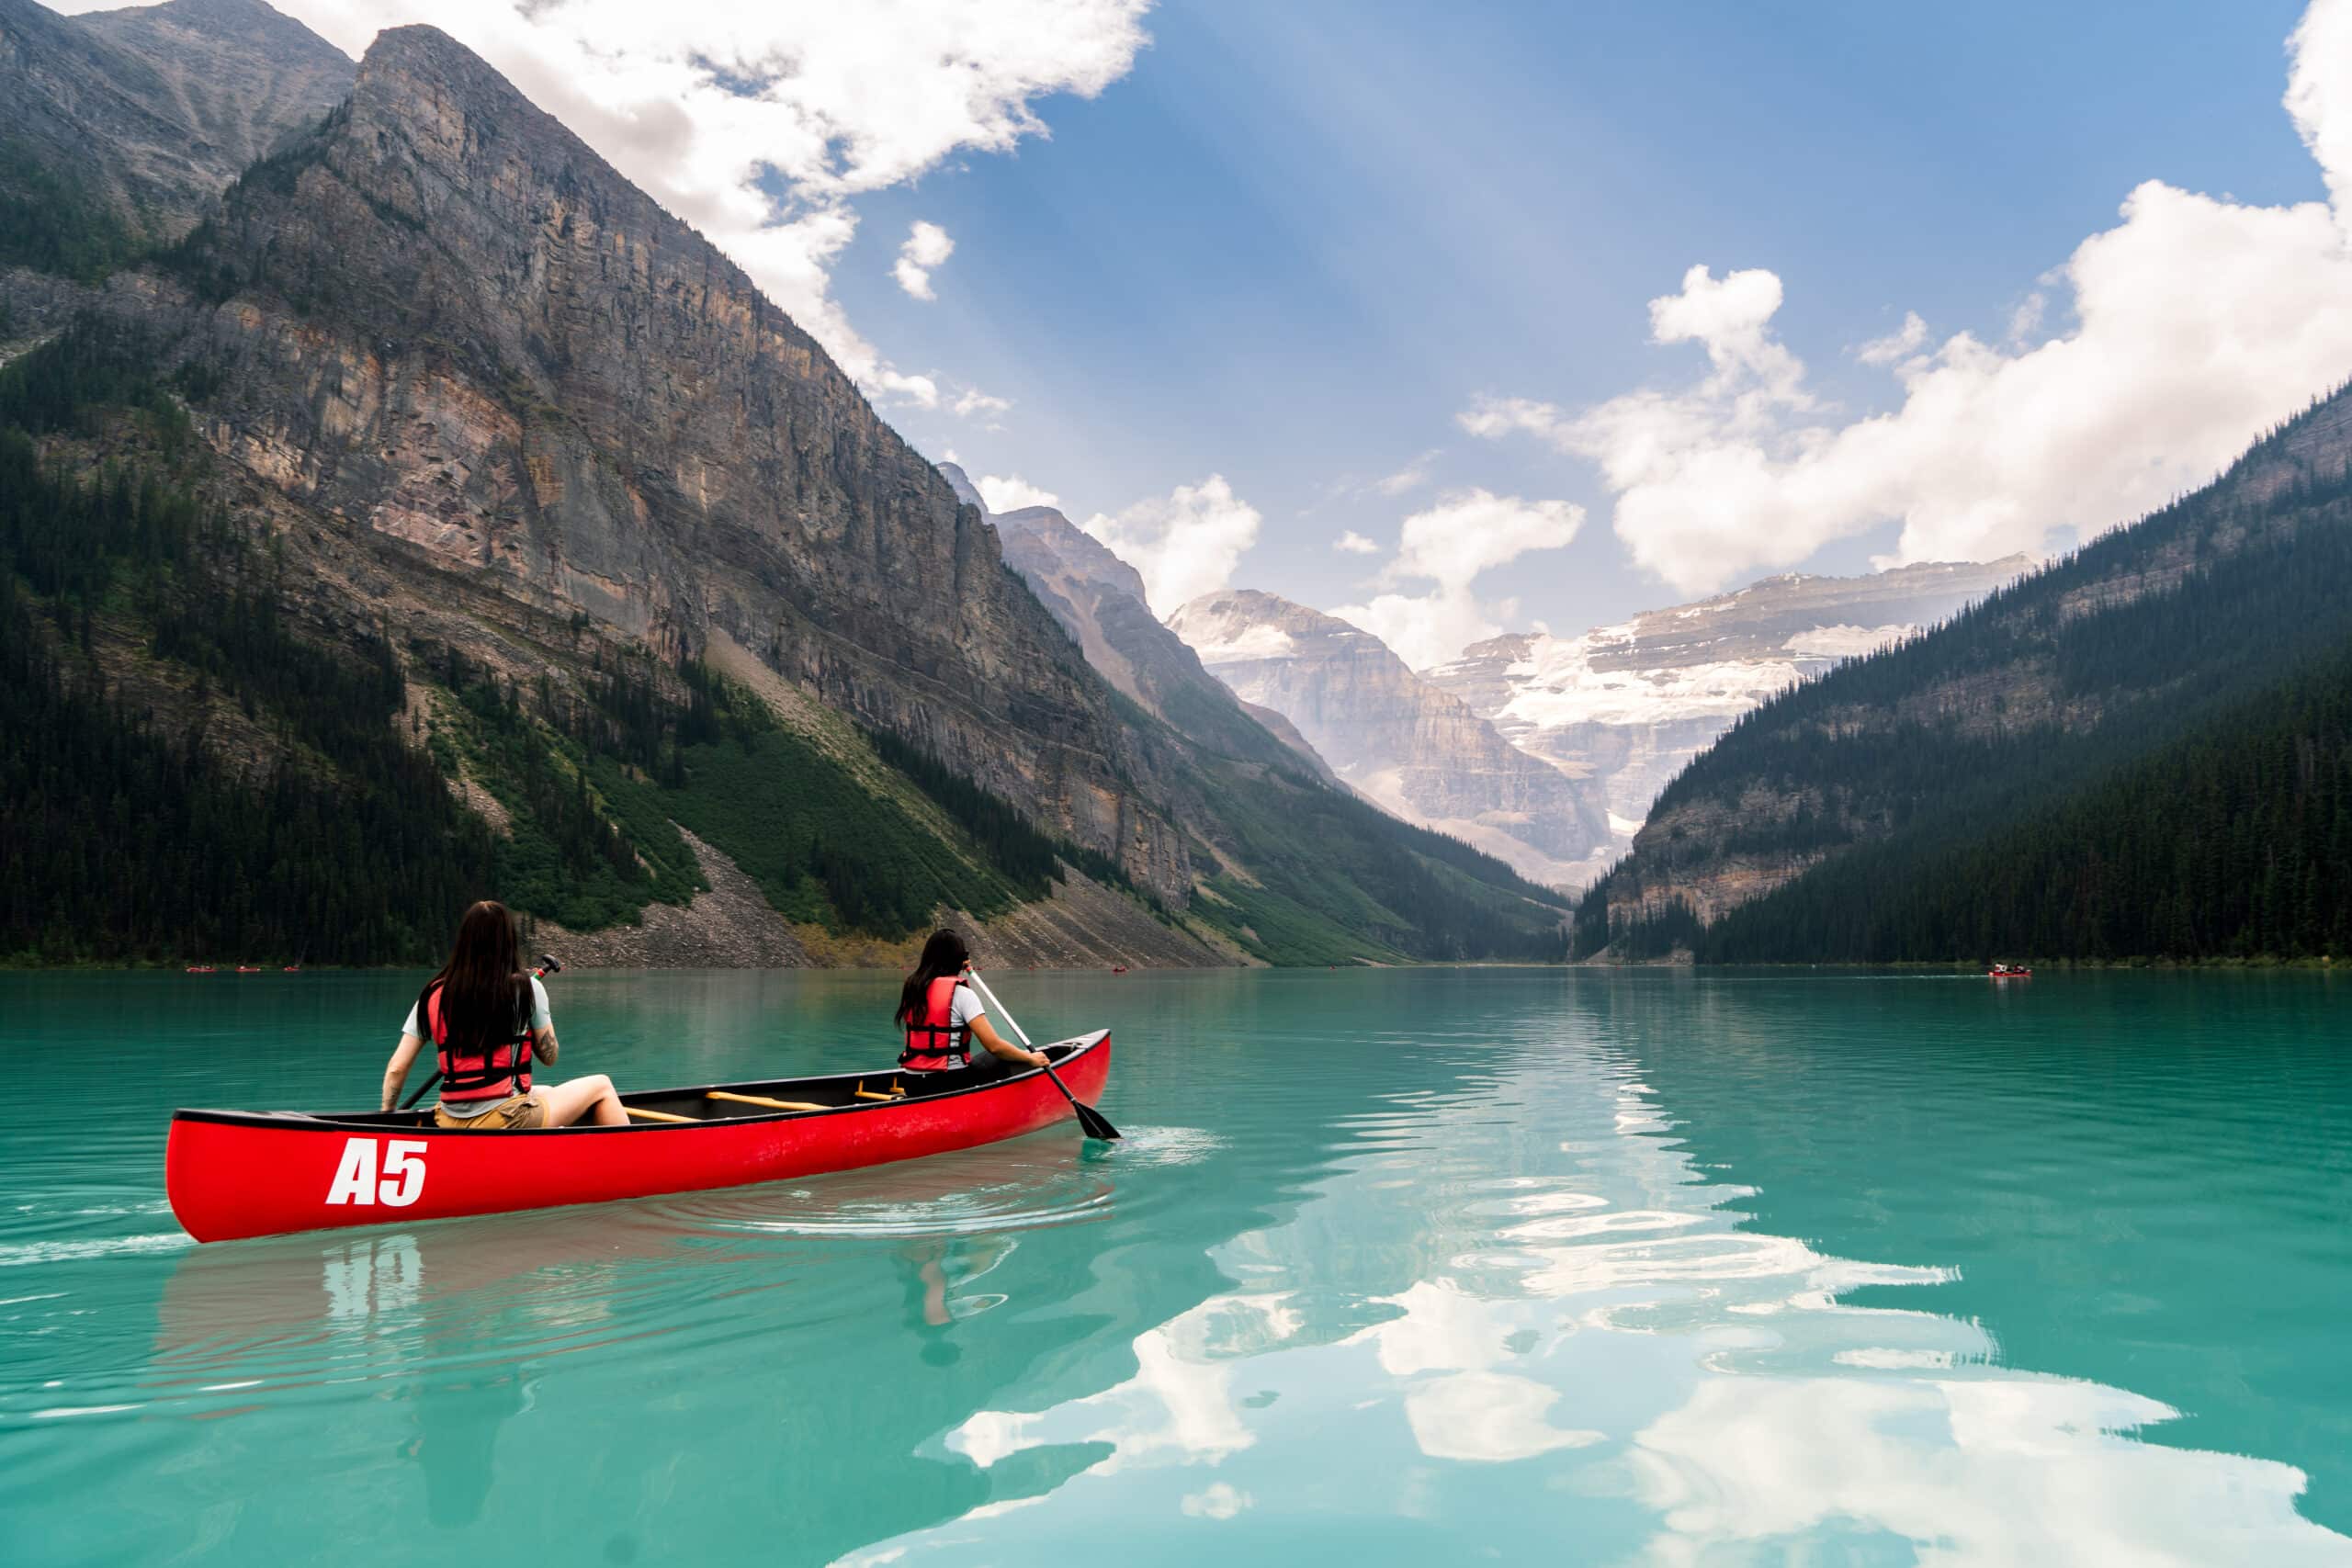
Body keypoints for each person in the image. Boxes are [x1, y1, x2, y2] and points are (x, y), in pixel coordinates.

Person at [379, 901, 627, 1129]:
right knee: (602, 1086)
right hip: (505, 1119)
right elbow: (549, 1057)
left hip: (447, 1119)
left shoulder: (432, 994)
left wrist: (386, 1116)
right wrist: (532, 1020)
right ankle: (627, 1159)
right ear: (507, 942)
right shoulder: (528, 989)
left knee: (546, 1092)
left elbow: (396, 1069)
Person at [896, 929, 1049, 1077]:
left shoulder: (913, 989)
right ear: (959, 958)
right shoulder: (962, 994)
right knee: (1000, 1056)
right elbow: (994, 1046)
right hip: (947, 1079)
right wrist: (1030, 1058)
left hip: (912, 1080)